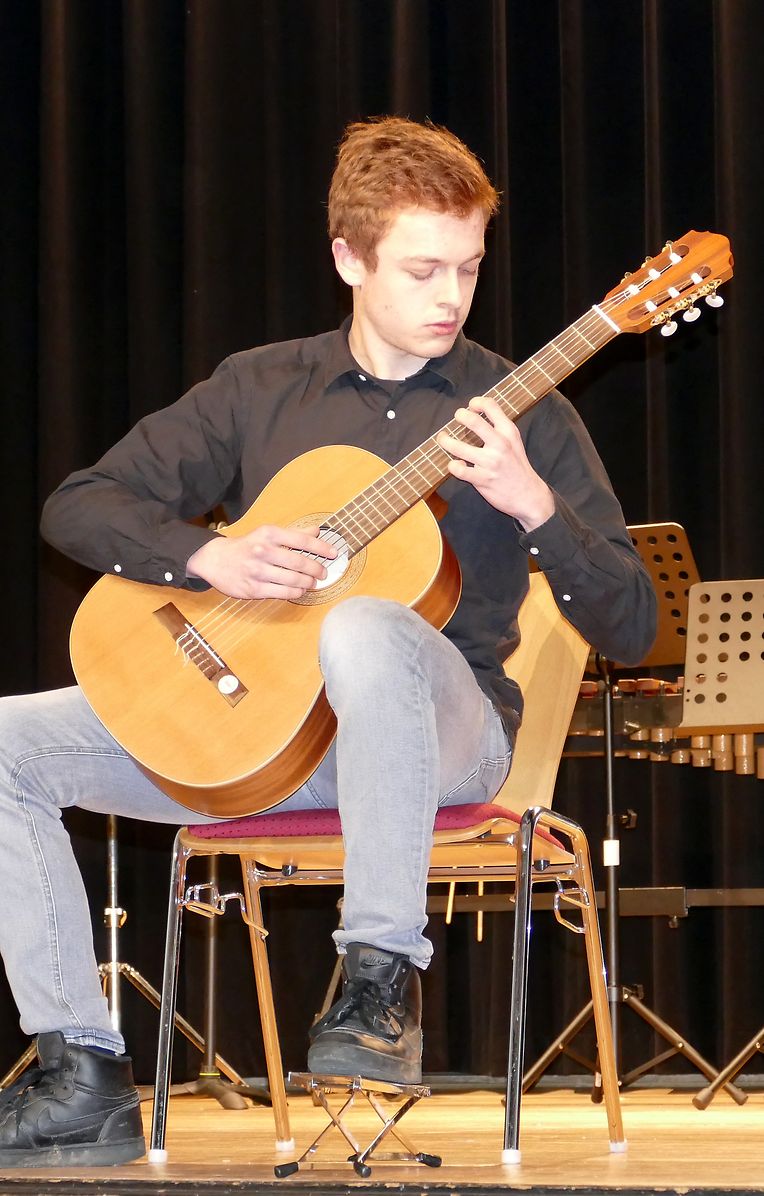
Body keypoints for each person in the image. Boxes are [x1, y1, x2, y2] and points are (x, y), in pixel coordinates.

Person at [0, 116, 656, 1167]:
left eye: (469, 267)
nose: (451, 295)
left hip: (447, 739)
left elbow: (632, 621)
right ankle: (81, 1073)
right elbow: (77, 505)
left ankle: (378, 979)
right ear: (349, 259)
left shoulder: (519, 408)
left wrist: (534, 504)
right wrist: (206, 556)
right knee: (6, 744)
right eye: (422, 269)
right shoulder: (259, 387)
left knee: (364, 623)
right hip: (275, 739)